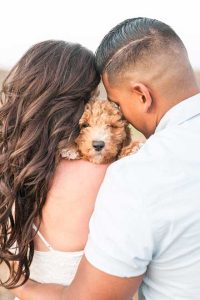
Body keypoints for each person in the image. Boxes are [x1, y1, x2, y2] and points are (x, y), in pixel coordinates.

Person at [11, 17, 200, 300]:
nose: (118, 115)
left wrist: (23, 286)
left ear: (142, 96)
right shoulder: (122, 172)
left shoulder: (19, 167)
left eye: (115, 104)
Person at [0, 40, 109, 296]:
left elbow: (12, 276)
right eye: (93, 95)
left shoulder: (13, 163)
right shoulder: (101, 172)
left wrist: (23, 287)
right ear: (79, 101)